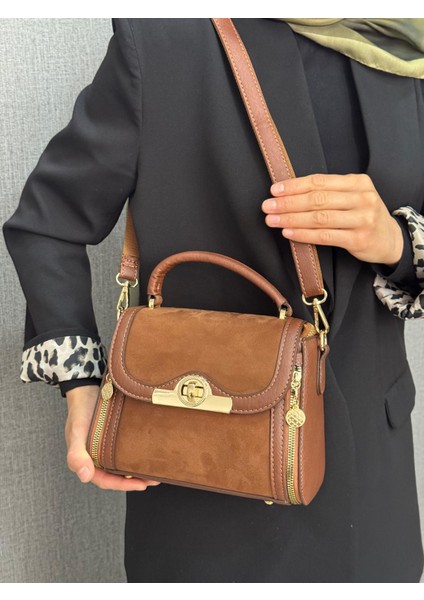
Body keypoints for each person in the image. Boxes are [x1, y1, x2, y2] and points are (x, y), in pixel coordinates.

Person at [3, 17, 424, 583]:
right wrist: (80, 384)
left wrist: (397, 243)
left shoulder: (406, 48)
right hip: (205, 467)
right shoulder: (167, 39)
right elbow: (46, 223)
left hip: (374, 485)